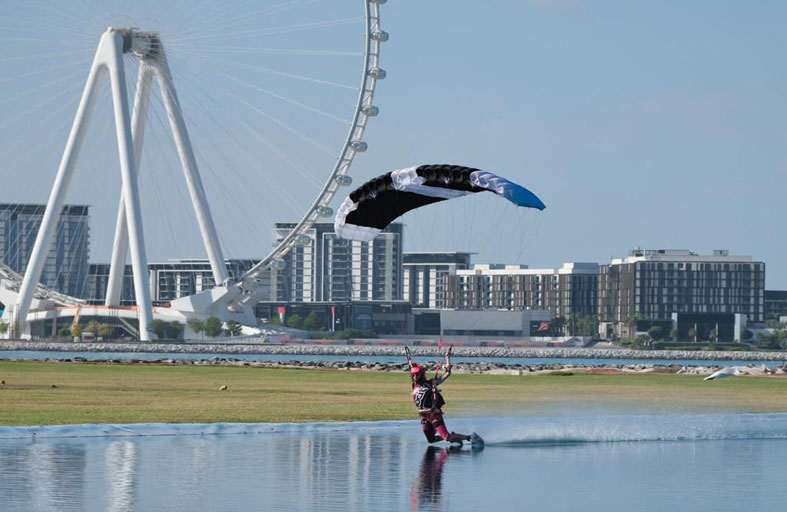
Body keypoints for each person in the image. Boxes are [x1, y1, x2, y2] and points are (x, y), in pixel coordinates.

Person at [408, 347, 472, 445]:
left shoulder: (431, 383)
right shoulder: (414, 385)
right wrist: (412, 363)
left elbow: (447, 373)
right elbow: (412, 367)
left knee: (447, 437)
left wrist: (447, 358)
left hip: (434, 414)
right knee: (431, 440)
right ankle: (454, 437)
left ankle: (469, 437)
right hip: (424, 417)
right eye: (413, 375)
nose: (415, 377)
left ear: (422, 374)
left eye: (417, 375)